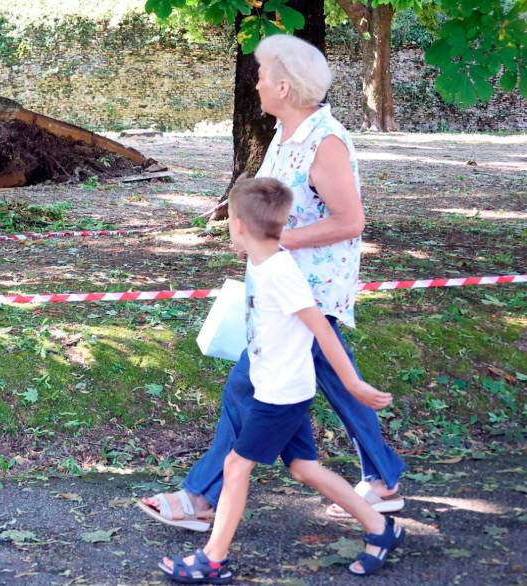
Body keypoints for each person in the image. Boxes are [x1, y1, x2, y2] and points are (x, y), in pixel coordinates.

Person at [138, 34, 406, 531]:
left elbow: (351, 222)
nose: (256, 84)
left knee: (246, 387)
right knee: (339, 383)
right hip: (281, 286)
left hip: (306, 291)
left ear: (283, 86)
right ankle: (384, 478)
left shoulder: (324, 142)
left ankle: (201, 497)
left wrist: (278, 243)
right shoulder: (286, 135)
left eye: (261, 76)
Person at [158, 178, 405, 584]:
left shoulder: (279, 272)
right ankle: (381, 528)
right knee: (305, 468)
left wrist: (354, 384)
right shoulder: (260, 260)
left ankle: (212, 560)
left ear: (237, 225)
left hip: (280, 396)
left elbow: (323, 331)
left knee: (237, 468)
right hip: (271, 386)